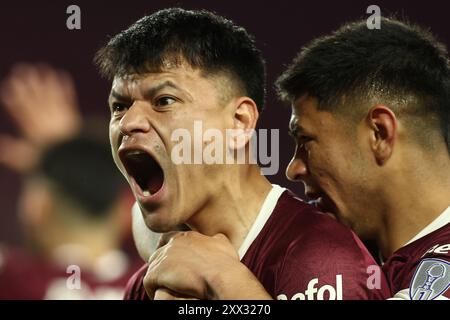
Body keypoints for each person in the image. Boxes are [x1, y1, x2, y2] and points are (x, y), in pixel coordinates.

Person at [142, 16, 450, 300]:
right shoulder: (351, 247)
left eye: (306, 140)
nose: (293, 168)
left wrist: (223, 280)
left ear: (379, 134)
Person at [95, 8, 390, 300]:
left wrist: (224, 283)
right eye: (119, 106)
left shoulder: (321, 261)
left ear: (239, 122)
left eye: (164, 101)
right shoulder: (149, 282)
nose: (129, 122)